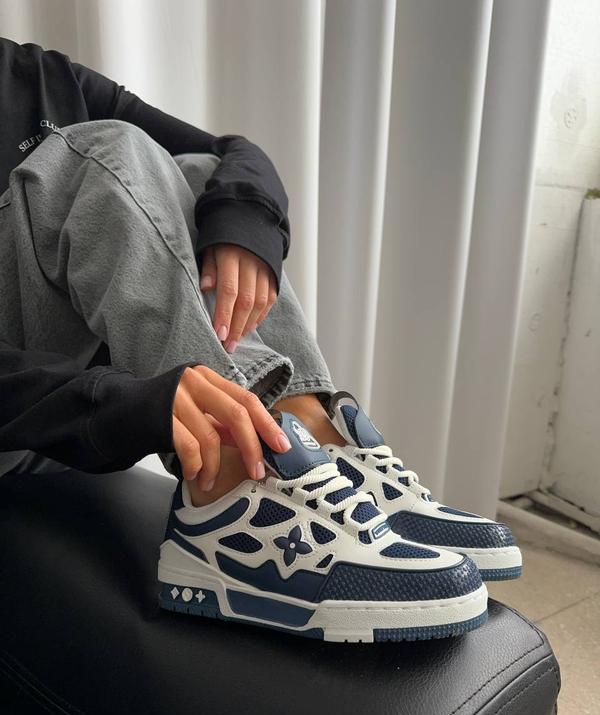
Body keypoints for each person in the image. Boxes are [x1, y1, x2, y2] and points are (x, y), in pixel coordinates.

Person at [0, 38, 521, 643]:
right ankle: (237, 484)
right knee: (101, 153)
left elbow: (232, 153)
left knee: (200, 175)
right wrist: (115, 402)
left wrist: (246, 228)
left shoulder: (37, 76)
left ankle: (311, 438)